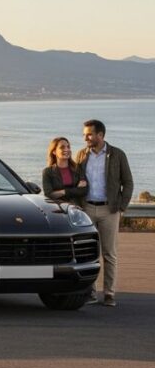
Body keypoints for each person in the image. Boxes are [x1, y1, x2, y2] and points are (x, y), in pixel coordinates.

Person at [75, 119, 133, 307]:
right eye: (84, 134)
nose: (85, 138)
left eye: (89, 134)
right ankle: (90, 293)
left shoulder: (117, 155)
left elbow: (128, 182)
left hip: (110, 209)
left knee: (109, 254)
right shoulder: (81, 155)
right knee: (88, 253)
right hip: (87, 208)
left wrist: (122, 207)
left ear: (100, 135)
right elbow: (76, 182)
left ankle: (109, 293)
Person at [41, 137, 88, 205]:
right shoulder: (48, 172)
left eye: (68, 147)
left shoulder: (77, 169)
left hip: (76, 209)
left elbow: (83, 191)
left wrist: (60, 192)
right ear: (54, 151)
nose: (66, 149)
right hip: (57, 209)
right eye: (62, 147)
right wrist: (72, 190)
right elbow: (49, 195)